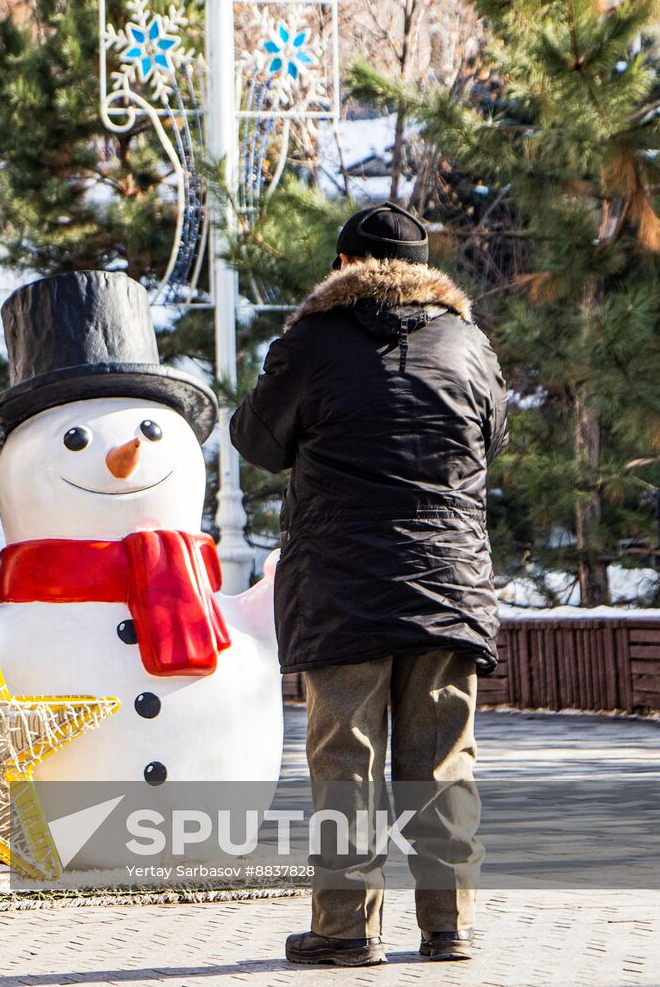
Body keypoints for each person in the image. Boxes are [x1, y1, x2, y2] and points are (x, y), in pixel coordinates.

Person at [230, 202, 509, 967]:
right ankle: (447, 927)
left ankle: (344, 932)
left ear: (340, 266)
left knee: (344, 762)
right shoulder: (468, 342)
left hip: (342, 585)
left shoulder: (310, 341)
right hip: (447, 585)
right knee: (442, 761)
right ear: (425, 268)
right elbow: (493, 437)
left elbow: (257, 440)